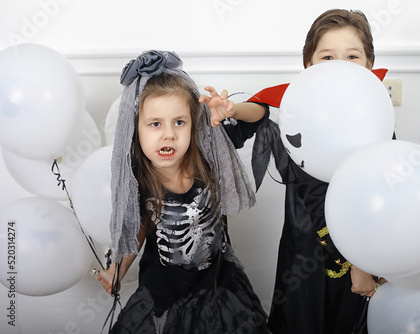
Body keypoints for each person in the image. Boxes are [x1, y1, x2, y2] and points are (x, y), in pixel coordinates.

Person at [201, 9, 388, 334]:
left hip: (368, 248)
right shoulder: (301, 115)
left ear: (369, 64)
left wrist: (378, 258)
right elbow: (260, 108)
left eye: (352, 56)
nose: (340, 65)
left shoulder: (377, 114)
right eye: (327, 56)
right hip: (311, 252)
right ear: (309, 66)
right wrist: (356, 264)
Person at [97, 50, 270, 334]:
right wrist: (118, 269)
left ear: (194, 123)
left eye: (179, 122)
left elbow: (260, 115)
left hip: (220, 293)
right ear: (135, 130)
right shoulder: (140, 179)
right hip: (163, 299)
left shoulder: (212, 157)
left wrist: (231, 110)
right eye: (155, 124)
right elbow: (138, 228)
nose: (169, 134)